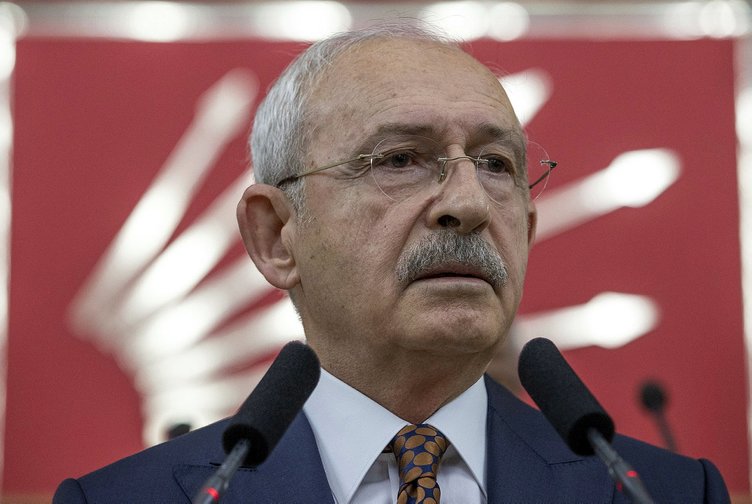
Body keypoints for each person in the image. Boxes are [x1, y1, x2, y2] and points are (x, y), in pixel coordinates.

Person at [53, 22, 730, 503]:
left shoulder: (663, 492)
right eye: (401, 159)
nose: (468, 204)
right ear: (276, 235)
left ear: (527, 228)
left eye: (497, 165)